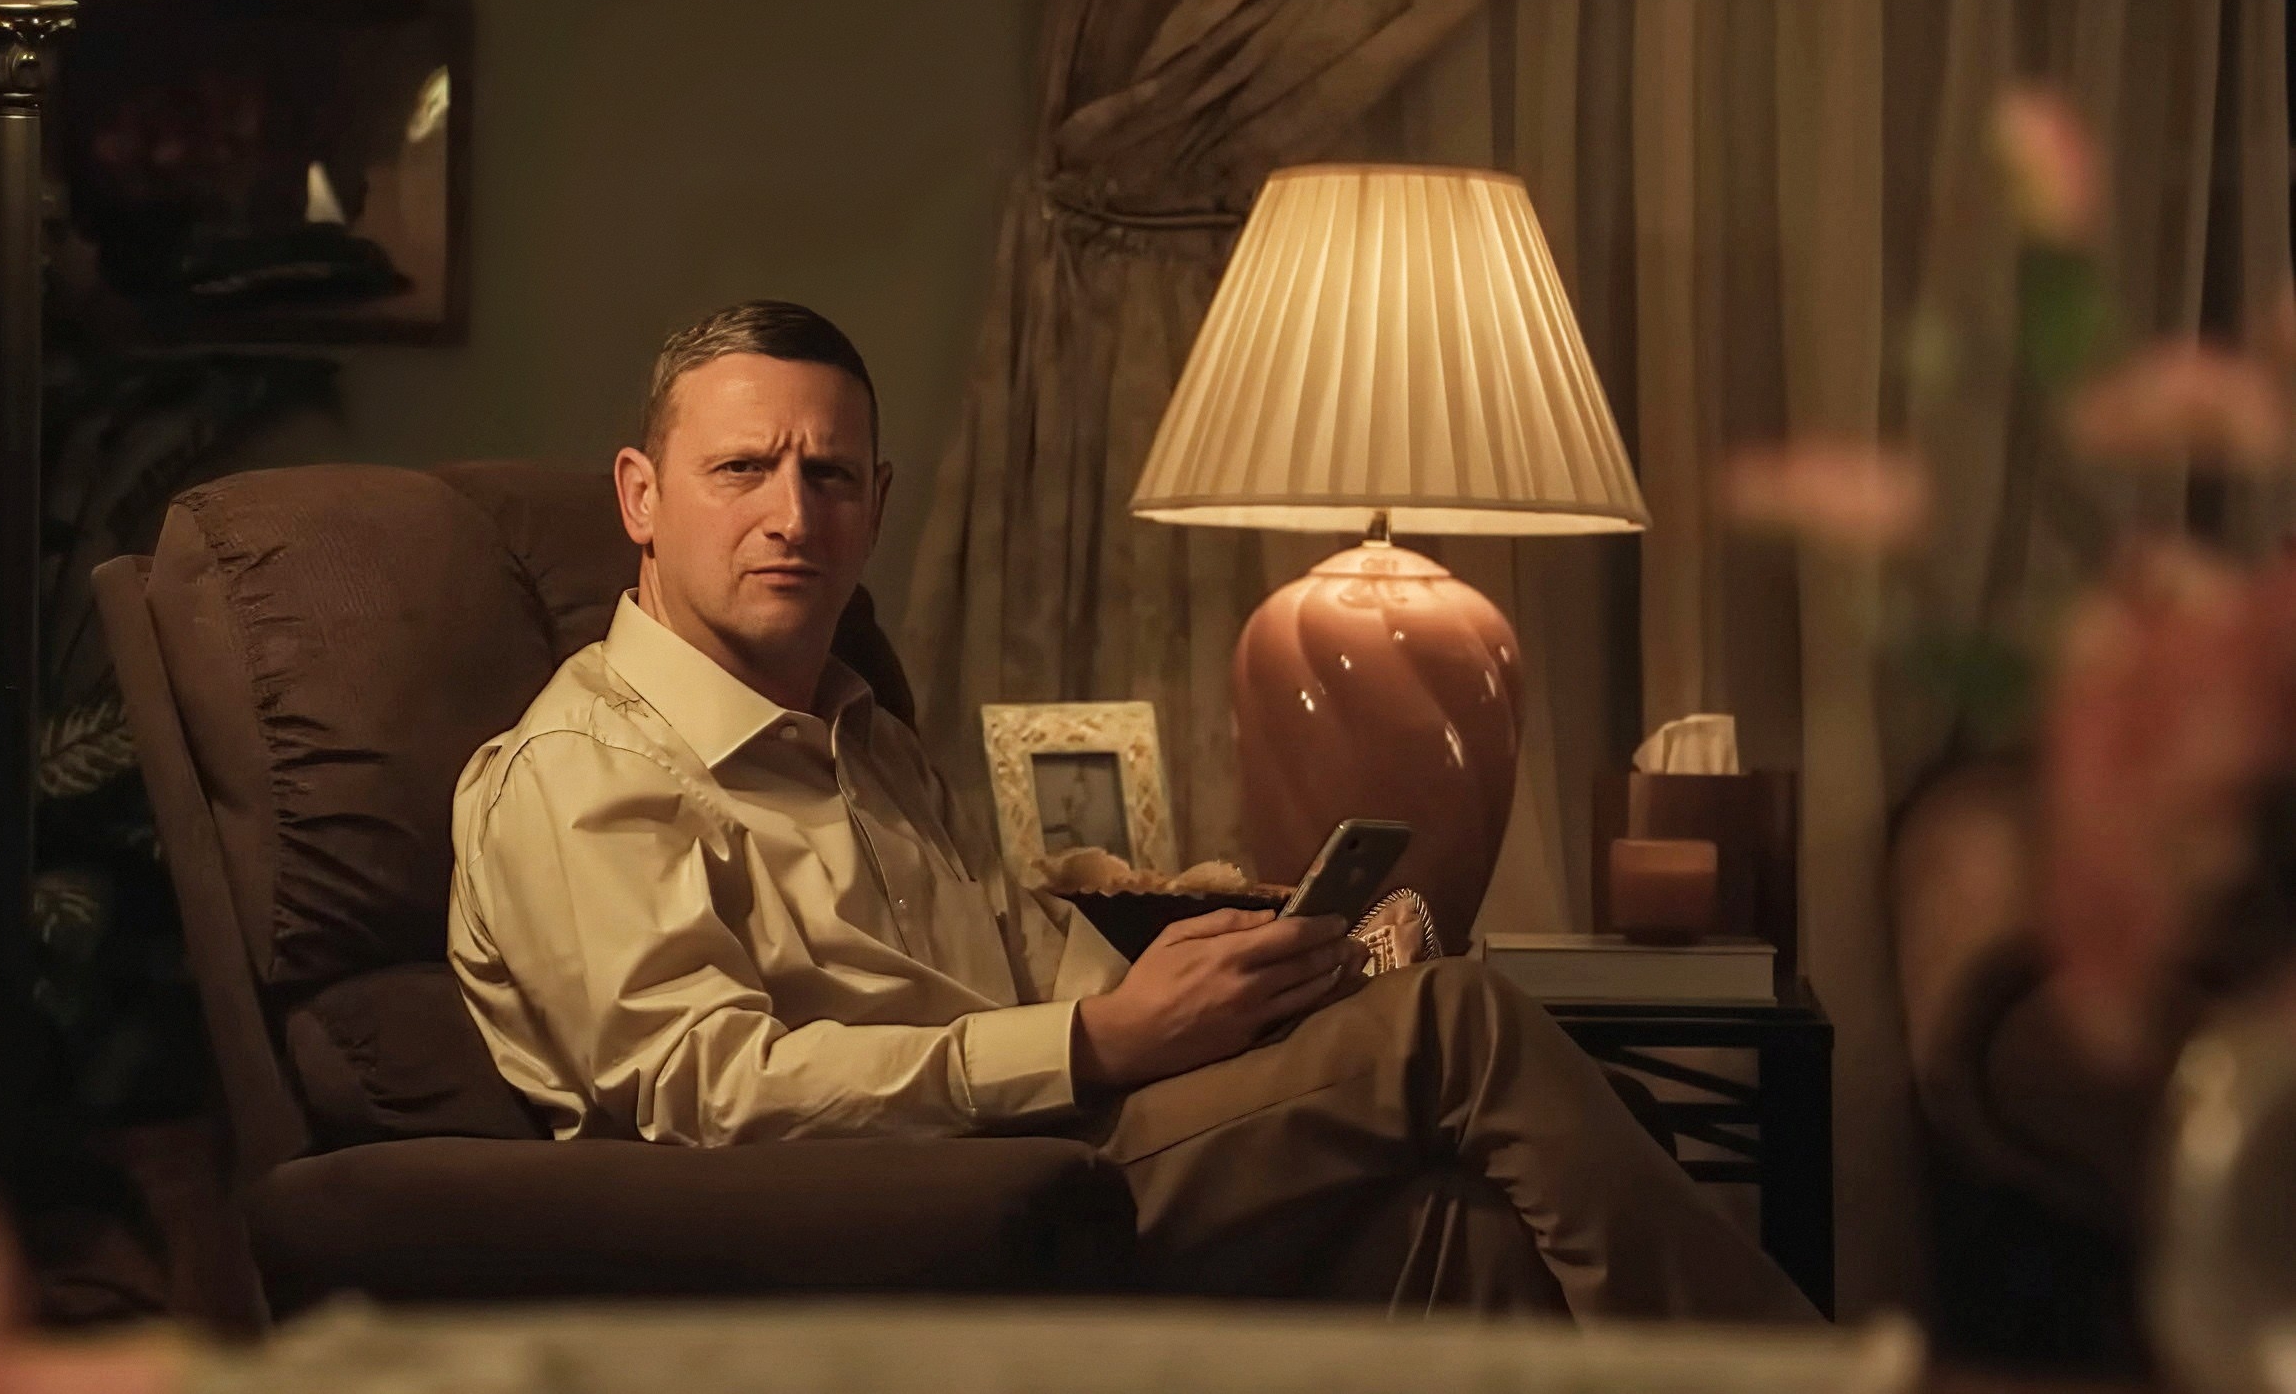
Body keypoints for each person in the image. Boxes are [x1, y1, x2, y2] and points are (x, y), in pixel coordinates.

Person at [449, 300, 1818, 1321]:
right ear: (642, 496)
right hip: (863, 1227)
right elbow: (703, 1097)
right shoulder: (583, 770)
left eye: (832, 475)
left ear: (878, 505)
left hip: (1030, 1157)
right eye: (742, 469)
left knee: (1462, 1233)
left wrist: (1243, 979)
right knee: (1458, 1027)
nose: (791, 514)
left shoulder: (865, 739)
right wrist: (1099, 1040)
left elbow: (1035, 973)